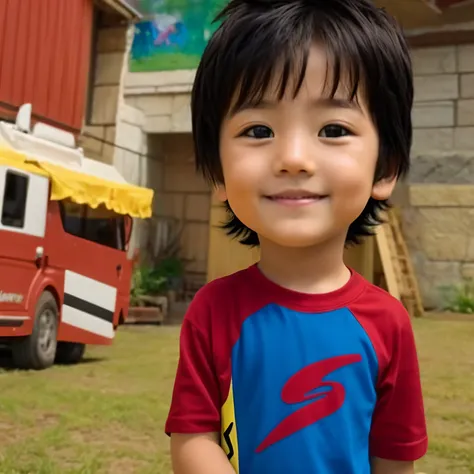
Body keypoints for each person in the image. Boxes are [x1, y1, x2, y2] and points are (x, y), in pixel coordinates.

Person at [165, 0, 428, 473]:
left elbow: (393, 458)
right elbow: (193, 437)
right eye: (259, 129)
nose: (293, 158)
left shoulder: (389, 323)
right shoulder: (213, 311)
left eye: (333, 128)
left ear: (385, 167)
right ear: (220, 174)